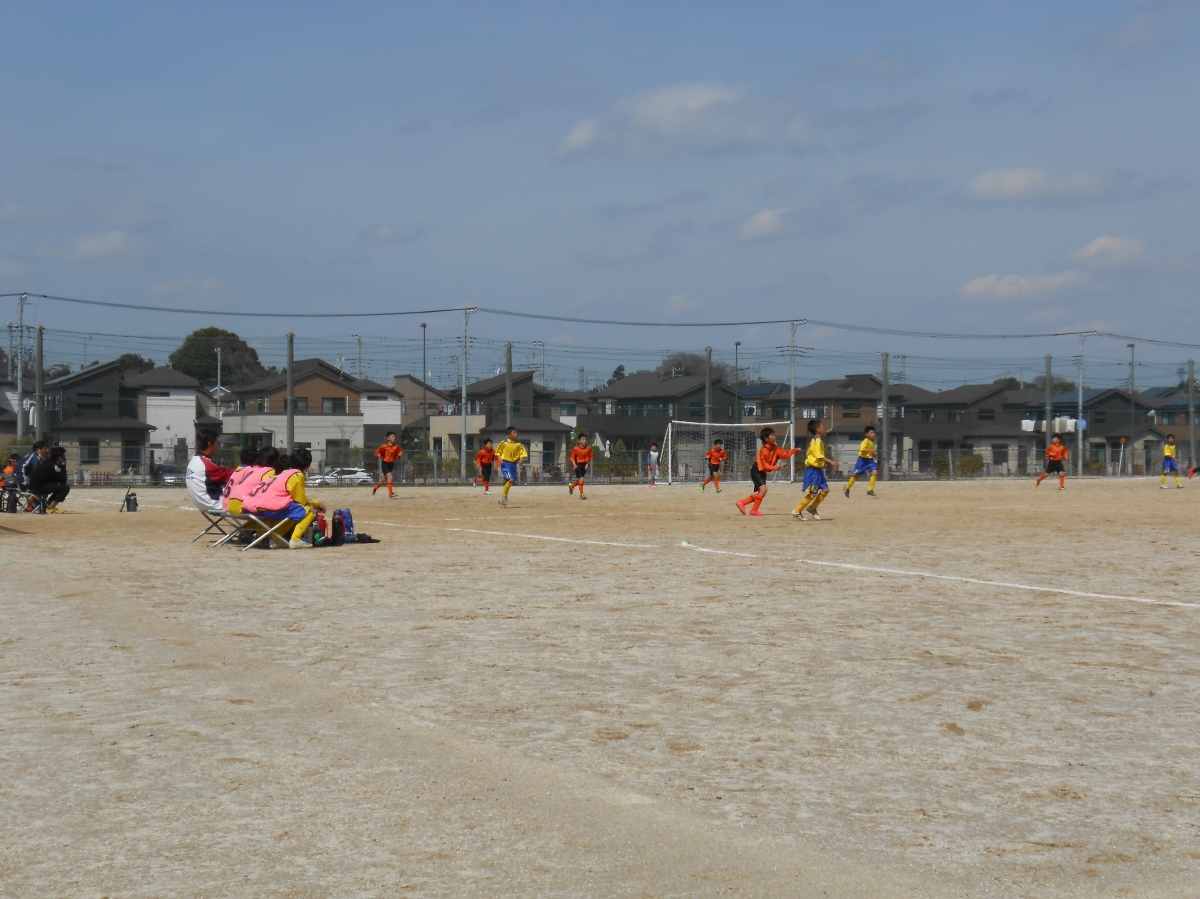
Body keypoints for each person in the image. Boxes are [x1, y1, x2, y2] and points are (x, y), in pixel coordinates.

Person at [243, 447, 325, 549]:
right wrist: (313, 505)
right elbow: (300, 499)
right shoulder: (296, 475)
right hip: (272, 508)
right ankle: (295, 540)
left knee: (293, 511)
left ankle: (273, 539)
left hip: (259, 507)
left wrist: (315, 503)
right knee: (307, 511)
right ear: (308, 465)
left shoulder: (283, 473)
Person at [736, 427, 800, 517]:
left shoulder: (775, 448)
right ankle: (753, 510)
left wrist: (793, 451)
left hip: (762, 472)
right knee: (763, 490)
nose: (775, 437)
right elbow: (763, 465)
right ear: (766, 438)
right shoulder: (762, 450)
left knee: (761, 493)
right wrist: (774, 467)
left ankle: (742, 503)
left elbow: (784, 453)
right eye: (772, 435)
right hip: (756, 470)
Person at [793, 419, 841, 520]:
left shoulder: (819, 441)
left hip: (818, 470)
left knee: (825, 490)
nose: (824, 428)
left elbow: (815, 457)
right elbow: (818, 456)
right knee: (813, 494)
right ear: (818, 429)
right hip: (813, 471)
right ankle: (797, 511)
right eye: (822, 426)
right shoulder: (816, 441)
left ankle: (812, 508)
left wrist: (821, 465)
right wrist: (831, 462)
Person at [186, 428, 236, 513]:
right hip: (215, 503)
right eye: (216, 443)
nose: (217, 446)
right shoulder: (206, 463)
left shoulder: (194, 460)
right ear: (210, 444)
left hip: (201, 504)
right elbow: (233, 475)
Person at [222, 445, 268, 515]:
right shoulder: (249, 470)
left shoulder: (237, 470)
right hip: (233, 506)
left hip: (225, 504)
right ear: (256, 459)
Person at [29, 445, 70, 513]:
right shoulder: (53, 465)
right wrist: (63, 467)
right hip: (39, 487)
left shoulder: (47, 462)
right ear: (59, 457)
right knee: (65, 488)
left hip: (32, 485)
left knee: (57, 487)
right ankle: (51, 506)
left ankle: (48, 505)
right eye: (63, 456)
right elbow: (63, 480)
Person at [495, 426, 528, 508]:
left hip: (513, 464)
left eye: (517, 433)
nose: (516, 434)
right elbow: (498, 452)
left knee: (511, 481)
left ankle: (501, 498)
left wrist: (521, 459)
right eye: (514, 433)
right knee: (511, 479)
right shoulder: (504, 443)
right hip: (505, 464)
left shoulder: (518, 444)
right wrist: (499, 459)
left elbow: (523, 453)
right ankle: (503, 498)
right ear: (509, 435)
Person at [844, 425, 879, 498]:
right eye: (871, 433)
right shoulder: (865, 441)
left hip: (869, 460)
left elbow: (869, 450)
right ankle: (847, 488)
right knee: (857, 475)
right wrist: (872, 450)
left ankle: (870, 490)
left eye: (874, 433)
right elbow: (862, 449)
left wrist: (874, 455)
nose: (873, 434)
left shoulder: (872, 441)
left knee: (875, 473)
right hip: (862, 460)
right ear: (867, 434)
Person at [373, 431, 402, 497]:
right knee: (390, 477)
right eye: (392, 436)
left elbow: (399, 452)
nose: (394, 438)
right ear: (388, 438)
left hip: (391, 464)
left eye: (394, 436)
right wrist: (380, 456)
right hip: (385, 464)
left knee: (383, 479)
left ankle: (375, 487)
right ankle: (390, 493)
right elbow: (377, 452)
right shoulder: (384, 446)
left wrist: (399, 455)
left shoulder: (396, 446)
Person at [568, 433, 593, 500]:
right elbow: (572, 457)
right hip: (578, 464)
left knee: (580, 480)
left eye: (585, 439)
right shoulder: (576, 448)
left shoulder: (588, 448)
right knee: (581, 479)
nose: (585, 441)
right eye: (583, 439)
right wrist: (574, 464)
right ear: (579, 440)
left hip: (584, 465)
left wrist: (587, 464)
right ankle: (582, 494)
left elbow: (589, 456)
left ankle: (571, 486)